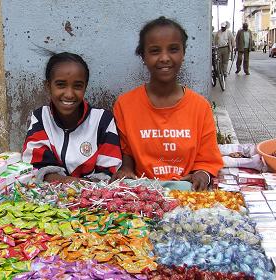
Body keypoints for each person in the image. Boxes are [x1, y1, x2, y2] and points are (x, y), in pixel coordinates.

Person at [112, 16, 223, 191]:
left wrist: (203, 173)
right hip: (142, 194)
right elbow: (127, 154)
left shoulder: (200, 107)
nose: (164, 58)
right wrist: (126, 169)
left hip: (187, 193)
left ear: (183, 53)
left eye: (173, 49)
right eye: (155, 51)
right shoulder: (125, 105)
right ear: (143, 56)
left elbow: (208, 160)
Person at [22, 52, 122, 183]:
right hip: (49, 196)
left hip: (93, 196)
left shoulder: (102, 120)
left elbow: (108, 170)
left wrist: (78, 187)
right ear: (48, 86)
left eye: (77, 86)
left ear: (85, 87)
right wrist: (68, 183)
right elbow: (38, 167)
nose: (69, 94)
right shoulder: (41, 117)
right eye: (61, 85)